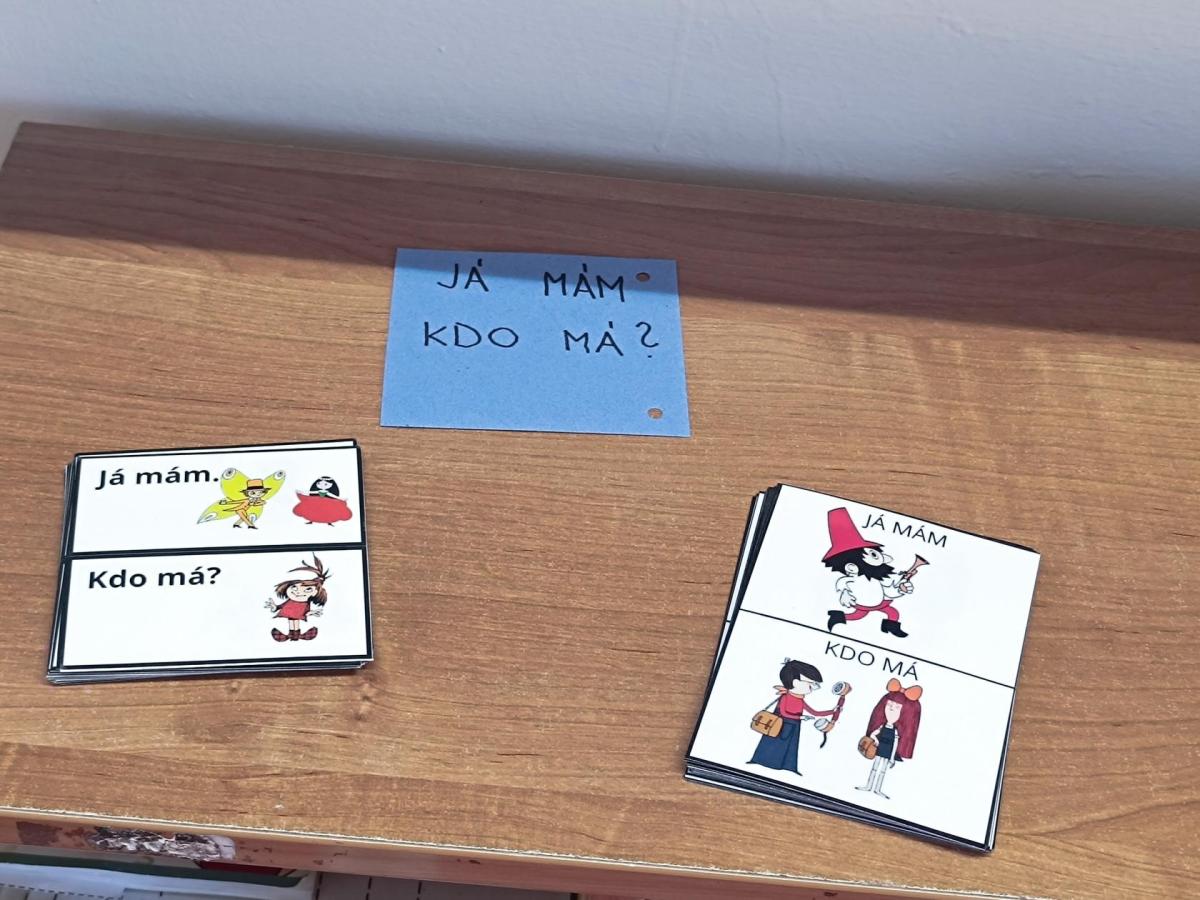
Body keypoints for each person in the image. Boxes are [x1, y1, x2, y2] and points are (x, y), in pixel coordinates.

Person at [748, 659, 846, 775]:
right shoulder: (786, 697)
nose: (813, 687)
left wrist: (832, 711)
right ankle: (761, 760)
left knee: (790, 746)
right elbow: (783, 712)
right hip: (780, 723)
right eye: (810, 683)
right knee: (773, 743)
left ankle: (788, 767)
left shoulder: (800, 699)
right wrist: (800, 718)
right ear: (795, 682)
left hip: (794, 725)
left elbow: (814, 712)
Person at [857, 678, 923, 799]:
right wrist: (875, 740)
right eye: (889, 705)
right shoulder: (881, 726)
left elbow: (895, 744)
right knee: (874, 768)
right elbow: (873, 734)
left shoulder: (896, 732)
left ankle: (877, 789)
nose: (891, 709)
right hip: (878, 748)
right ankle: (869, 786)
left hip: (888, 751)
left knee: (882, 770)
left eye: (897, 707)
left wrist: (892, 758)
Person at [264, 555, 331, 641]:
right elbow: (279, 607)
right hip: (291, 615)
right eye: (294, 587)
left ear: (315, 593)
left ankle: (295, 635)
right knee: (292, 621)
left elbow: (306, 612)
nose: (298, 592)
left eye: (308, 589)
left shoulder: (305, 603)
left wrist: (311, 613)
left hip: (296, 615)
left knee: (295, 621)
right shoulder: (290, 601)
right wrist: (274, 607)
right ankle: (293, 635)